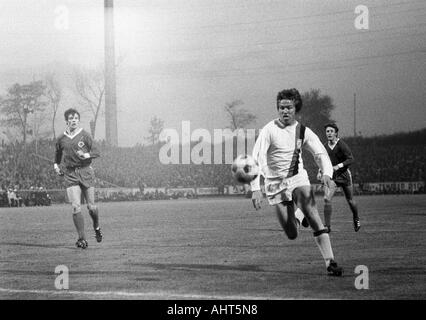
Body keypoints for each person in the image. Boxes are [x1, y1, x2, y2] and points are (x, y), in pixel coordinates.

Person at [251, 88, 343, 276]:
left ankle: (330, 262)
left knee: (315, 216)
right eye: (281, 108)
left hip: (297, 178)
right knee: (292, 233)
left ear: (296, 108)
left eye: (289, 108)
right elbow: (256, 157)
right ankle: (299, 216)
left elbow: (320, 153)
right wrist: (255, 188)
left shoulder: (303, 131)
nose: (285, 111)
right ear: (278, 109)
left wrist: (327, 173)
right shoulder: (268, 130)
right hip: (275, 184)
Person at [54, 108, 103, 249]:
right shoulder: (61, 139)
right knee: (75, 206)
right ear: (66, 121)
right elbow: (57, 156)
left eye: (76, 118)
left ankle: (97, 226)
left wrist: (86, 155)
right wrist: (56, 167)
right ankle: (81, 238)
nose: (74, 120)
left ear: (78, 120)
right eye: (71, 118)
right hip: (70, 174)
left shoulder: (85, 135)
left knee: (91, 207)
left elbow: (97, 152)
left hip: (86, 172)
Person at [317, 123, 360, 232]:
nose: (329, 133)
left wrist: (339, 165)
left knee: (350, 200)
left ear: (336, 133)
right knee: (327, 199)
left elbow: (351, 159)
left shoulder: (341, 144)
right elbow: (323, 160)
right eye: (327, 131)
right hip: (332, 177)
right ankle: (327, 226)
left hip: (344, 175)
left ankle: (356, 218)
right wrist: (320, 171)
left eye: (331, 131)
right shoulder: (325, 146)